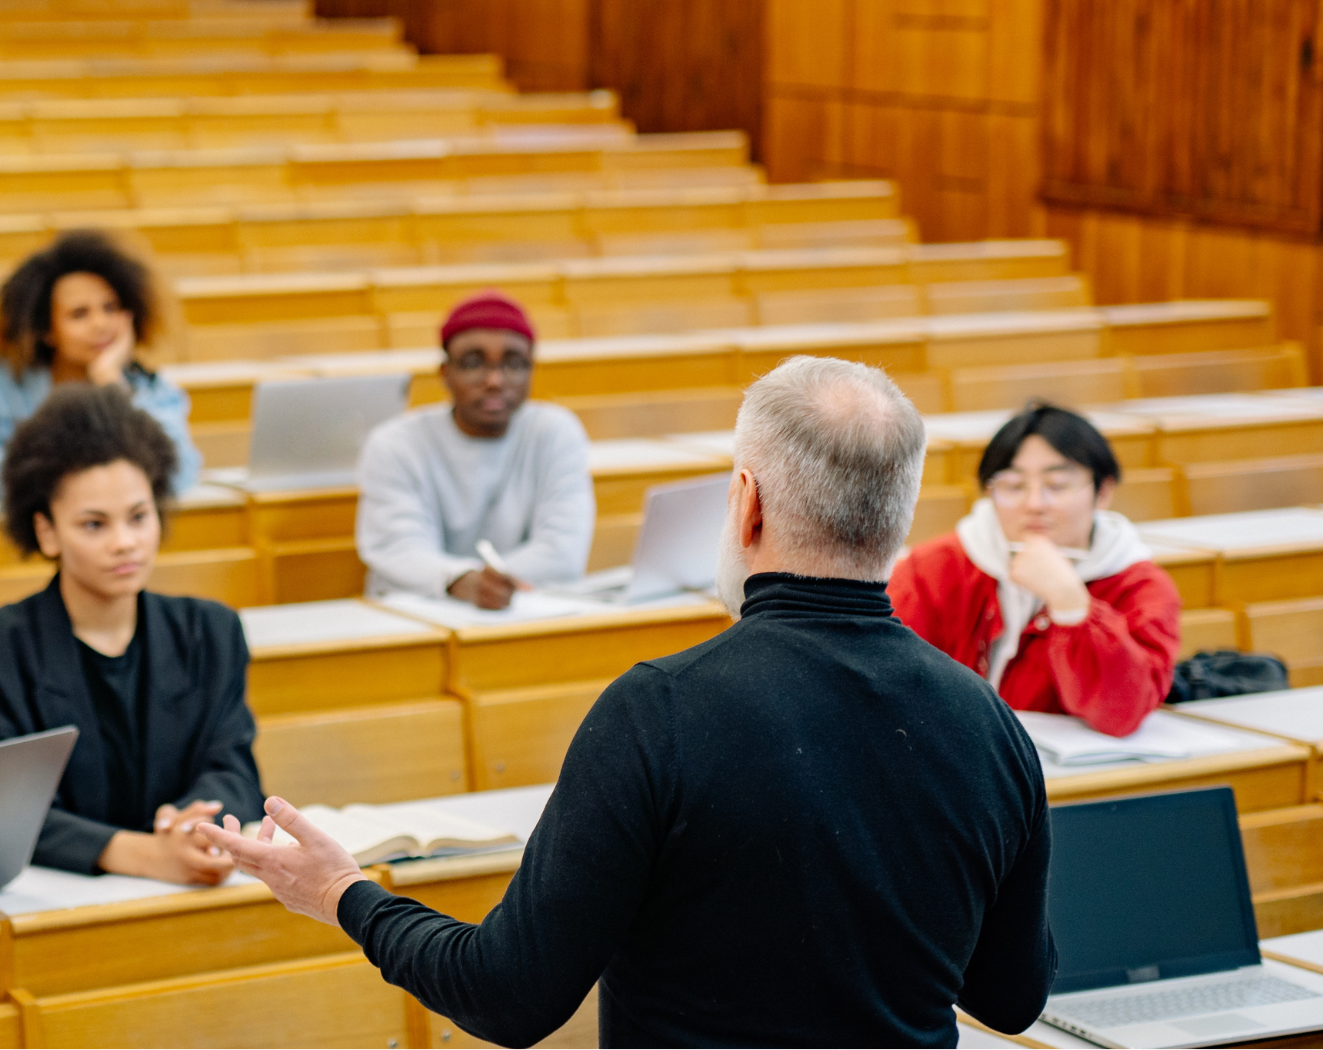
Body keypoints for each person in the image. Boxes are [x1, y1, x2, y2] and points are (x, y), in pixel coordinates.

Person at [202, 356, 1056, 1047]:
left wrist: (343, 892)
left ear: (745, 503)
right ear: (897, 517)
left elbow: (509, 997)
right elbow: (1012, 1000)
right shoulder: (986, 722)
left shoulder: (663, 712)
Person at [0, 383, 260, 885]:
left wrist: (195, 823)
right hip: (59, 896)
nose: (125, 543)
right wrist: (144, 854)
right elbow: (5, 812)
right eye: (94, 525)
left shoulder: (211, 631)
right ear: (46, 532)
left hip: (187, 889)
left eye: (139, 517)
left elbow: (236, 770)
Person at [889, 402, 1180, 737]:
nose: (1035, 504)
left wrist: (1072, 606)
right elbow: (891, 677)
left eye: (1056, 486)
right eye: (1013, 487)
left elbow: (1121, 713)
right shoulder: (936, 567)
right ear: (989, 492)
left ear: (1103, 492)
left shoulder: (1140, 585)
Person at [355, 290, 593, 609]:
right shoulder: (395, 444)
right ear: (445, 373)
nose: (495, 380)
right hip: (418, 614)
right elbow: (397, 549)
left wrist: (489, 585)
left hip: (526, 611)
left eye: (513, 364)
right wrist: (462, 581)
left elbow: (562, 551)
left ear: (531, 371)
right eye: (473, 363)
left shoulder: (554, 432)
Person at [0, 230, 201, 499]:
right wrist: (77, 474)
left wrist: (112, 384)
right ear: (47, 329)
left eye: (111, 308)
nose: (100, 324)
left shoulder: (144, 385)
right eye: (79, 314)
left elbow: (179, 473)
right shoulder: (1, 374)